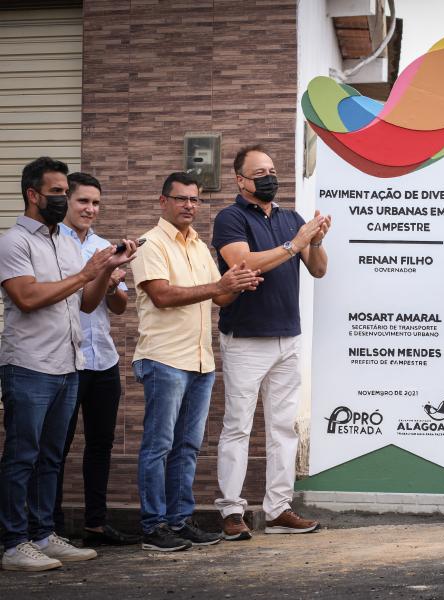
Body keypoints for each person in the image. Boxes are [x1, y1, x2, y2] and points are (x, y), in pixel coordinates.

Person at [0, 157, 137, 571]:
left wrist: (107, 272)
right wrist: (87, 273)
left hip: (68, 362)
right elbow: (27, 298)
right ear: (33, 194)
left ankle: (43, 534)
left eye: (65, 192)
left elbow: (86, 303)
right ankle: (12, 542)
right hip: (28, 363)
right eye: (57, 193)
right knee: (22, 455)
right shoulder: (14, 242)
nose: (62, 199)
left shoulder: (63, 240)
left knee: (51, 457)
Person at [131, 172, 262, 552]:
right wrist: (219, 286)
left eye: (195, 200)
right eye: (181, 198)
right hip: (164, 359)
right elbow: (162, 295)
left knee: (187, 446)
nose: (189, 205)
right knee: (158, 446)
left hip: (201, 362)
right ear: (163, 201)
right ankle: (154, 527)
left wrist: (236, 285)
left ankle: (179, 521)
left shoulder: (200, 246)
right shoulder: (150, 243)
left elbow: (218, 299)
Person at [212, 145, 329, 540]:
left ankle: (278, 509)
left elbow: (318, 269)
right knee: (238, 427)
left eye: (272, 170)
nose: (269, 177)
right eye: (259, 171)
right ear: (240, 180)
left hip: (286, 337)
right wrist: (295, 244)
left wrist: (315, 240)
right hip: (245, 338)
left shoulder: (290, 217)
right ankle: (231, 512)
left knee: (283, 428)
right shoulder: (229, 218)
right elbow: (240, 264)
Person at [52, 172, 141, 546]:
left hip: (102, 357)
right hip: (65, 360)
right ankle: (49, 528)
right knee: (56, 445)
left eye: (96, 203)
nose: (90, 209)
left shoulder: (105, 246)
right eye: (83, 201)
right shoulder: (53, 243)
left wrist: (114, 276)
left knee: (100, 445)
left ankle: (95, 524)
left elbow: (119, 307)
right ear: (67, 202)